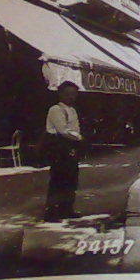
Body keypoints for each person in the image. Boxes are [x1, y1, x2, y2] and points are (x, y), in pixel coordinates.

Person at [43, 80, 84, 221]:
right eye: (67, 94)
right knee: (58, 178)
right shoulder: (55, 109)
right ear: (60, 94)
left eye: (74, 95)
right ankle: (52, 212)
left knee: (71, 178)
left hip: (71, 145)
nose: (71, 97)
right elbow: (63, 130)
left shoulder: (72, 110)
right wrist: (78, 137)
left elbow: (75, 128)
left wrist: (77, 137)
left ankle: (67, 209)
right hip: (59, 146)